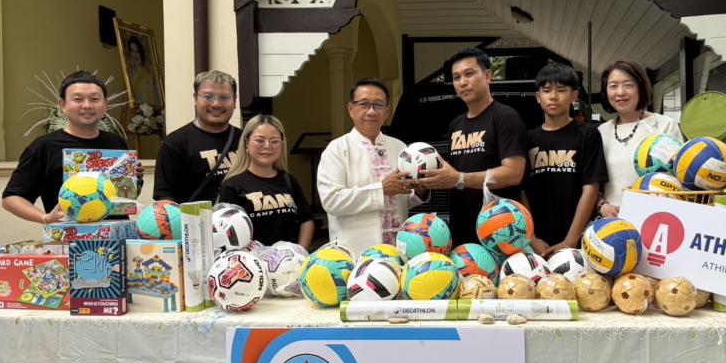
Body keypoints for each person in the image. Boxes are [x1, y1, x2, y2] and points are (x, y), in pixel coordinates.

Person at [419, 48, 527, 246]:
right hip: (461, 233)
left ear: (488, 76)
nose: (462, 82)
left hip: (500, 233)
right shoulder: (455, 125)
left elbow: (514, 173)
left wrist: (459, 179)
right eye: (456, 77)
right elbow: (451, 176)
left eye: (469, 74)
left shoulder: (505, 117)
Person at [2, 71, 131, 224]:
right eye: (78, 99)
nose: (87, 105)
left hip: (117, 234)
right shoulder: (44, 146)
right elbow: (11, 198)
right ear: (62, 105)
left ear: (105, 104)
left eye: (95, 99)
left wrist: (133, 178)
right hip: (68, 236)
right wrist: (45, 218)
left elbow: (120, 198)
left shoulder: (117, 142)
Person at [317, 78, 427, 257]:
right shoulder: (337, 149)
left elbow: (400, 199)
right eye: (364, 104)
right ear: (351, 109)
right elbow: (331, 200)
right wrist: (381, 190)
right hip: (355, 254)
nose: (371, 111)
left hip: (398, 252)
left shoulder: (399, 147)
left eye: (378, 105)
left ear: (387, 112)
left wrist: (419, 192)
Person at [525, 63, 607, 256]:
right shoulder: (528, 139)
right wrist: (531, 237)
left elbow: (591, 188)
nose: (553, 96)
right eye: (547, 90)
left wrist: (569, 241)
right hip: (537, 243)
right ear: (538, 97)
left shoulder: (588, 134)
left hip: (579, 243)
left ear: (574, 95)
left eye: (561, 90)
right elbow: (522, 191)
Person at [596, 60, 682, 217]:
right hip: (611, 222)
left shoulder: (665, 126)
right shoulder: (601, 132)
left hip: (656, 217)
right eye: (613, 86)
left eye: (628, 85)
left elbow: (681, 174)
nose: (620, 92)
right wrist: (602, 205)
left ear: (641, 88)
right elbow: (592, 182)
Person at [217, 115, 314, 248]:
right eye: (259, 140)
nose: (267, 146)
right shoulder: (231, 186)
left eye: (274, 141)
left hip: (290, 260)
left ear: (282, 145)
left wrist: (300, 252)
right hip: (251, 260)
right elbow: (226, 232)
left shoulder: (288, 180)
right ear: (246, 143)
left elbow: (306, 220)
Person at [153, 70, 242, 204]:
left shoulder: (247, 140)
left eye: (224, 97)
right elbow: (165, 197)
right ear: (195, 98)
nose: (216, 104)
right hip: (194, 217)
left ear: (235, 100)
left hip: (242, 216)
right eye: (208, 97)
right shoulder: (175, 143)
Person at [125, 37, 161, 106]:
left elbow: (155, 102)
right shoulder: (129, 74)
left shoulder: (150, 75)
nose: (135, 55)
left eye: (137, 51)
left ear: (142, 52)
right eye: (132, 51)